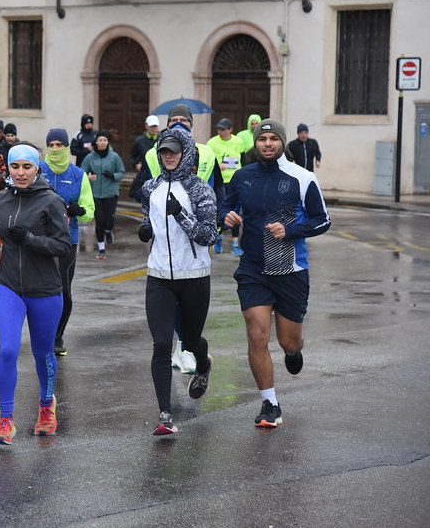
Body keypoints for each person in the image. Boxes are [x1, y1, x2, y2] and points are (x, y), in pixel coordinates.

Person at [219, 119, 331, 428]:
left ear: (282, 142)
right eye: (262, 139)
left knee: (288, 342)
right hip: (253, 268)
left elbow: (322, 220)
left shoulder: (302, 178)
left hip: (290, 268)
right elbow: (226, 207)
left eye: (273, 139)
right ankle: (269, 403)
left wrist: (291, 229)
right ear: (254, 144)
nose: (267, 144)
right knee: (257, 335)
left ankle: (294, 351)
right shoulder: (242, 177)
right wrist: (225, 216)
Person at [0, 143, 71, 444]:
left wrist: (29, 239)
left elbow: (62, 246)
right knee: (7, 349)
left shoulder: (51, 201)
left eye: (26, 167)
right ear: (8, 167)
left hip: (44, 290)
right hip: (8, 286)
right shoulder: (1, 199)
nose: (20, 173)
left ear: (37, 168)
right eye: (15, 166)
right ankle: (5, 419)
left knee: (42, 352)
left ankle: (46, 406)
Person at [137, 128, 218, 435]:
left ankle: (203, 365)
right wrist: (145, 228)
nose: (167, 156)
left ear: (186, 153)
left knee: (191, 340)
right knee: (161, 344)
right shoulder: (150, 188)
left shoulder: (200, 190)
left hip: (194, 277)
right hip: (159, 277)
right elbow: (150, 220)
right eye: (163, 152)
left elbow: (209, 235)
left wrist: (182, 216)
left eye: (173, 151)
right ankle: (165, 415)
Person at [40, 129, 95, 356]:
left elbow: (89, 211)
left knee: (63, 289)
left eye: (59, 145)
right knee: (40, 291)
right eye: (50, 145)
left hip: (67, 241)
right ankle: (42, 334)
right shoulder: (37, 170)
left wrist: (80, 210)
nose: (55, 149)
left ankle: (57, 335)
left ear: (66, 147)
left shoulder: (78, 175)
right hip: (39, 239)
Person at [80, 131, 125, 260]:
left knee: (108, 222)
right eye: (100, 140)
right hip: (95, 194)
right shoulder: (90, 157)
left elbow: (121, 171)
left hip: (110, 193)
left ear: (107, 142)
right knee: (99, 221)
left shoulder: (114, 156)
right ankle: (101, 249)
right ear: (96, 142)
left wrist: (113, 176)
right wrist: (88, 177)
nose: (102, 142)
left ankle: (108, 231)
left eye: (104, 140)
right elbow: (82, 172)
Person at [207, 118, 246, 255]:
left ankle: (235, 243)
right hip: (220, 182)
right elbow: (209, 161)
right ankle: (219, 236)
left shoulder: (238, 142)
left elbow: (243, 158)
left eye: (223, 129)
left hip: (235, 181)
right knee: (220, 209)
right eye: (219, 129)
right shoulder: (211, 143)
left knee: (235, 211)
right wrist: (218, 167)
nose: (220, 132)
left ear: (230, 130)